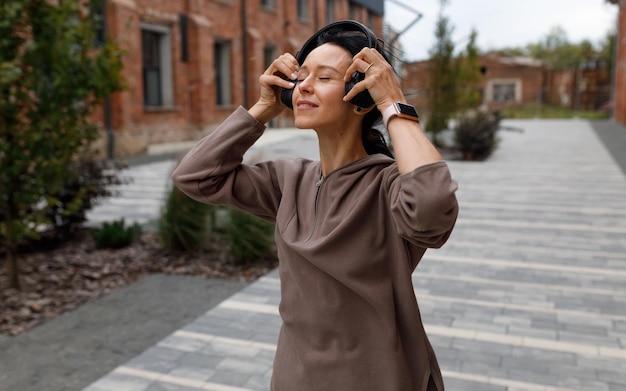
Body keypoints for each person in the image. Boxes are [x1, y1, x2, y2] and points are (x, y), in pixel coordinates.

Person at [172, 20, 458, 391]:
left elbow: (432, 208)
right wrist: (261, 109)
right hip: (296, 377)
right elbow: (195, 177)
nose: (303, 86)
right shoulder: (286, 180)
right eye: (300, 77)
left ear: (360, 98)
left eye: (324, 78)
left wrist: (391, 102)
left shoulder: (389, 186)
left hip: (382, 378)